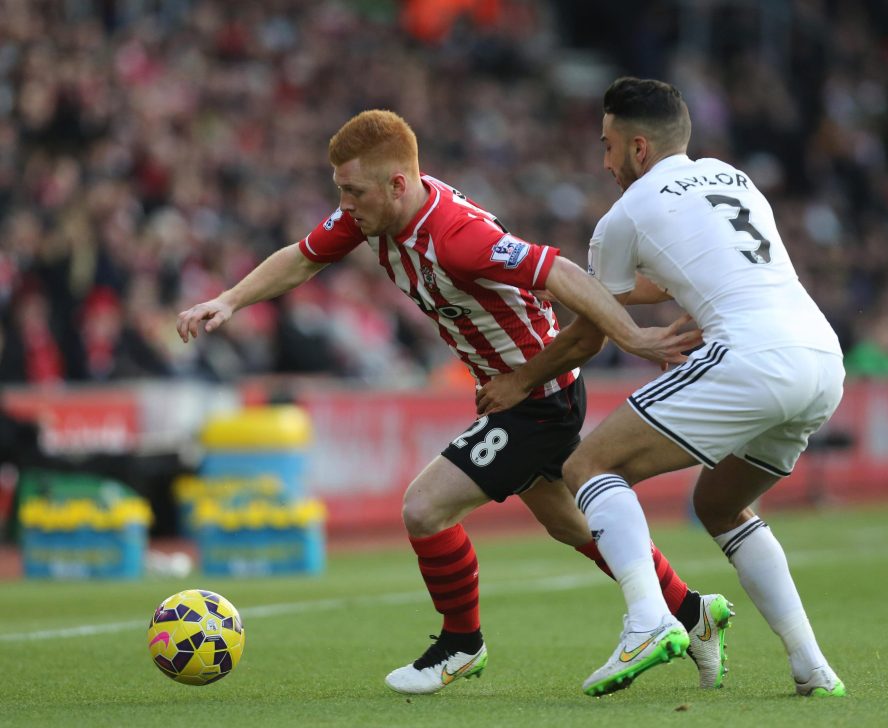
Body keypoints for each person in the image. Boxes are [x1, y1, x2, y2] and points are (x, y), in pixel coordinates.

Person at [177, 109, 733, 695]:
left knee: (424, 508)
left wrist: (631, 337)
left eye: (352, 190)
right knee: (571, 525)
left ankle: (461, 645)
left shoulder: (457, 237)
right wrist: (230, 300)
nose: (344, 202)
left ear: (397, 183)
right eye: (341, 188)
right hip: (519, 393)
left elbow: (561, 271)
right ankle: (692, 612)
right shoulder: (372, 215)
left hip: (534, 395)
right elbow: (302, 257)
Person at [477, 77, 847, 698]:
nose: (605, 162)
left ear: (639, 148)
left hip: (750, 356)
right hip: (820, 356)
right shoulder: (736, 180)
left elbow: (588, 335)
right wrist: (565, 286)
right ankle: (811, 663)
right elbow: (690, 272)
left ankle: (647, 622)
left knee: (590, 464)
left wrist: (520, 381)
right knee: (720, 506)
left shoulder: (624, 216)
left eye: (608, 147)